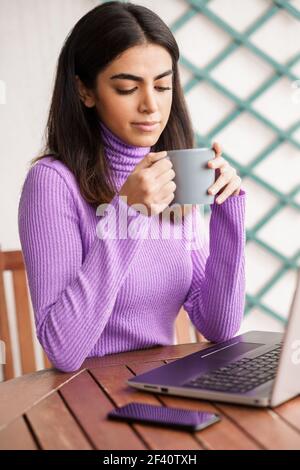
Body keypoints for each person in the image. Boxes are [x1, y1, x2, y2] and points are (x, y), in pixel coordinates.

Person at [18, 1, 246, 373]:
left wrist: (228, 213)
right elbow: (63, 349)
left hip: (163, 384)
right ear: (85, 91)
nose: (151, 106)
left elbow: (220, 326)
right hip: (84, 401)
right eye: (127, 88)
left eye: (162, 85)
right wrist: (128, 214)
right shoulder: (52, 183)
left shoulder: (174, 173)